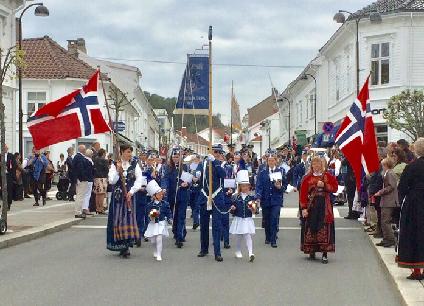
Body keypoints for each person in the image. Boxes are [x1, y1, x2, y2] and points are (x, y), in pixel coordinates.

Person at [300, 156, 338, 263]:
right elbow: (303, 194)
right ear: (311, 166)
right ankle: (312, 250)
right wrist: (303, 208)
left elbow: (335, 188)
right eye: (314, 164)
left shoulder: (328, 176)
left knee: (324, 227)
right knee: (312, 227)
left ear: (322, 165)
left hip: (324, 206)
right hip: (312, 206)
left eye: (318, 164)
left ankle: (324, 253)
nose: (316, 166)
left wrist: (325, 185)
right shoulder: (307, 178)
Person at [106, 144, 142, 258]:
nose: (130, 154)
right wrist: (117, 171)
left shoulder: (135, 165)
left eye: (130, 152)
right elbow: (111, 181)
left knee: (128, 220)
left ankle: (126, 246)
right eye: (127, 152)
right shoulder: (114, 165)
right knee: (118, 220)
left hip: (129, 196)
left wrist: (131, 192)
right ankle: (121, 245)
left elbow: (139, 180)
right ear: (121, 152)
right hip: (118, 197)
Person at [397, 138, 424, 280]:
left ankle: (417, 271)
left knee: (414, 235)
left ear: (416, 150)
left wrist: (404, 201)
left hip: (415, 204)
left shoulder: (411, 167)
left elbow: (402, 188)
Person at [197, 144, 227, 262]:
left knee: (216, 226)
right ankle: (204, 249)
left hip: (216, 197)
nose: (217, 154)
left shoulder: (220, 164)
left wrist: (214, 161)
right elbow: (198, 174)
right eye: (215, 152)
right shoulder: (203, 163)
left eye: (219, 152)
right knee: (203, 225)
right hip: (204, 197)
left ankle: (217, 252)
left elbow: (223, 175)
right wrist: (196, 175)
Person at [256, 149, 287, 248]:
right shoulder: (262, 172)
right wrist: (258, 197)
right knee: (267, 219)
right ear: (267, 161)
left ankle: (273, 239)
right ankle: (268, 236)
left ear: (276, 160)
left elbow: (285, 185)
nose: (271, 162)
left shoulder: (281, 171)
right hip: (265, 199)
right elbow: (259, 185)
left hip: (276, 199)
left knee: (274, 218)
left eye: (273, 160)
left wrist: (280, 187)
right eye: (269, 161)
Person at [229, 170, 256, 262]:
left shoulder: (251, 197)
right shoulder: (235, 197)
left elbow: (255, 211)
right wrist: (232, 208)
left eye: (246, 186)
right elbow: (232, 210)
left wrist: (253, 209)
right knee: (239, 237)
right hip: (239, 219)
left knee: (247, 235)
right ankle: (237, 250)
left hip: (247, 219)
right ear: (239, 187)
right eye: (243, 186)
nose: (245, 188)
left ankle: (250, 253)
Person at [144, 180, 173, 261]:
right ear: (154, 196)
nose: (161, 196)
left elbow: (168, 212)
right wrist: (152, 215)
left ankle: (159, 254)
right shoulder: (150, 205)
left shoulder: (165, 204)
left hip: (161, 223)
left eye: (161, 194)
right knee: (153, 240)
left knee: (159, 238)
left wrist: (170, 219)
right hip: (153, 223)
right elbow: (148, 215)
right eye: (159, 194)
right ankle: (155, 250)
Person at [374, 158, 398, 248]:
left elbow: (391, 186)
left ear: (386, 165)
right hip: (386, 200)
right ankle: (386, 238)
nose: (382, 166)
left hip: (389, 200)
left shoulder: (390, 173)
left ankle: (390, 239)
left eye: (383, 165)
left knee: (385, 220)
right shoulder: (386, 173)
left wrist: (381, 191)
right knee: (383, 220)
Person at [72, 145, 89, 218]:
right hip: (81, 179)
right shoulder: (80, 158)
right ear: (83, 150)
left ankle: (78, 211)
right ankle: (78, 212)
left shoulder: (77, 157)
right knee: (80, 196)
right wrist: (84, 177)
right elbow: (81, 169)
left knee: (79, 195)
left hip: (78, 179)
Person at [1, 145, 17, 210]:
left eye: (6, 148)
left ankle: (9, 204)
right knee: (2, 190)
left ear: (7, 149)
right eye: (3, 148)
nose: (5, 149)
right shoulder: (0, 155)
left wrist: (13, 175)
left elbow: (14, 165)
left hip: (9, 175)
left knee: (9, 189)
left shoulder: (11, 155)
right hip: (2, 175)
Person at [93, 148, 109, 214]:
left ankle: (97, 208)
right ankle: (101, 208)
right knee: (102, 194)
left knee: (97, 194)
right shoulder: (104, 160)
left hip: (96, 178)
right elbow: (106, 170)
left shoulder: (95, 160)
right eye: (105, 153)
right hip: (102, 178)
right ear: (103, 154)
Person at [83, 149, 95, 215]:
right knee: (87, 194)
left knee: (84, 194)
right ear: (91, 155)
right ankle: (85, 208)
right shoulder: (90, 161)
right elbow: (92, 171)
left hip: (84, 179)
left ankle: (83, 207)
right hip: (89, 179)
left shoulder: (83, 160)